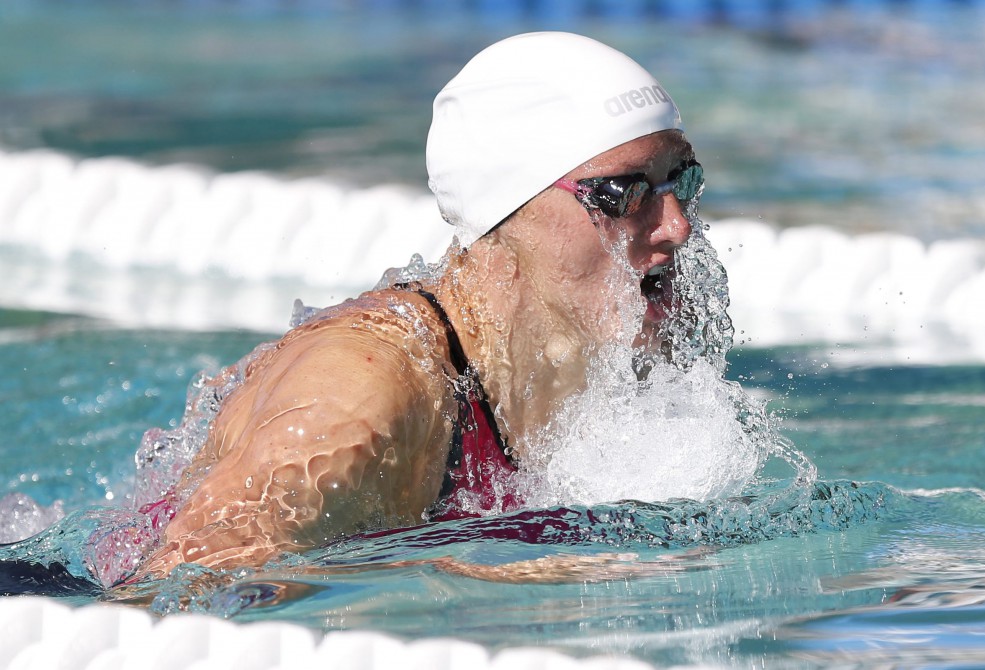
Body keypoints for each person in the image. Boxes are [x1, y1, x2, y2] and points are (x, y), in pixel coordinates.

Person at [133, 31, 702, 581]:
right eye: (623, 193)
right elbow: (169, 600)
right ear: (506, 209)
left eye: (682, 179)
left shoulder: (605, 353)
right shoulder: (360, 398)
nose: (677, 226)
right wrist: (466, 573)